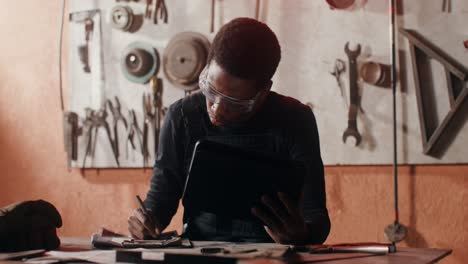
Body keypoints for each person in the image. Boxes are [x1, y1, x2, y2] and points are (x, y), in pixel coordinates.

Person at [128, 17, 330, 245]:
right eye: (210, 91)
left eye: (233, 102)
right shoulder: (182, 117)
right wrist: (146, 222)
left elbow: (317, 218)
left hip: (269, 257)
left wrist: (302, 235)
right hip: (200, 254)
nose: (216, 110)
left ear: (263, 92)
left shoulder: (294, 119)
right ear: (205, 69)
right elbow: (160, 202)